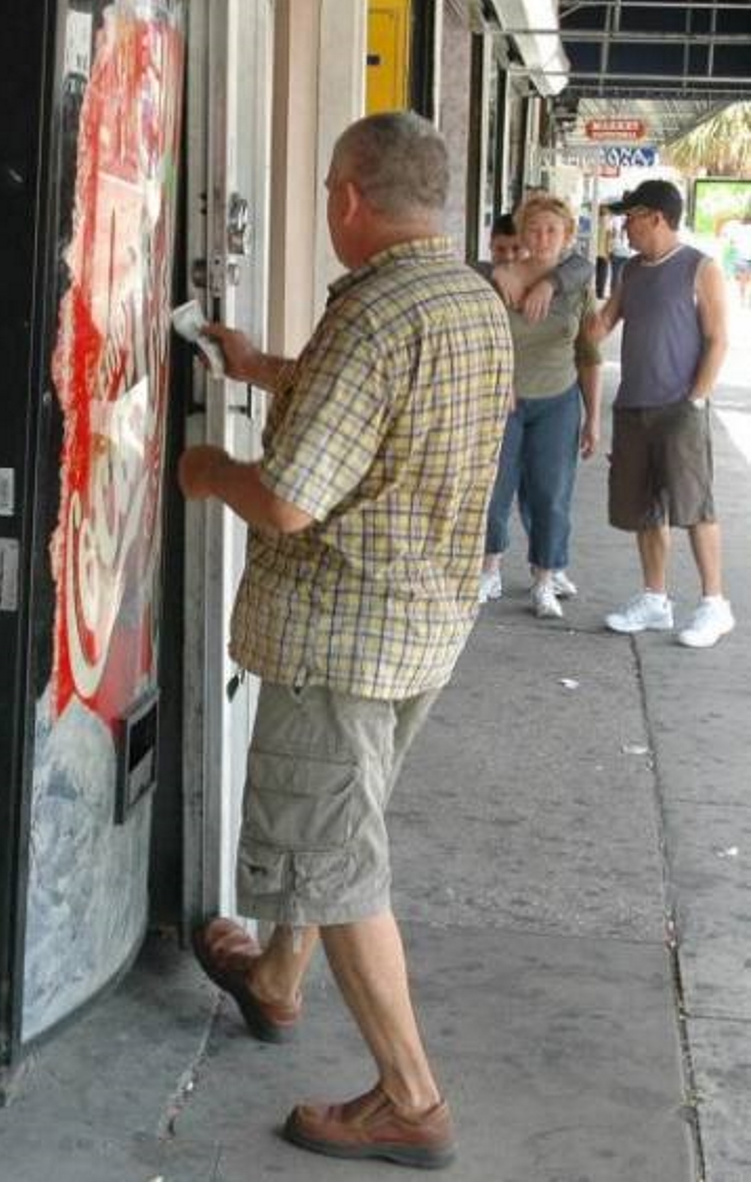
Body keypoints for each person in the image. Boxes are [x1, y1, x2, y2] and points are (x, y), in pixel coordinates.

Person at [179, 111, 512, 1170]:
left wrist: (202, 472)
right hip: (424, 621)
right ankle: (276, 982)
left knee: (336, 854)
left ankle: (410, 1098)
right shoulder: (467, 298)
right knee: (339, 823)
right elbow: (374, 410)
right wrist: (257, 366)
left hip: (343, 629)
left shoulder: (373, 315)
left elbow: (284, 502)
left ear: (348, 198)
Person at [587, 179, 735, 648]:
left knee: (695, 506)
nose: (623, 225)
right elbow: (601, 325)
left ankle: (714, 604)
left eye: (630, 216)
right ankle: (655, 600)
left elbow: (718, 340)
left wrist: (695, 398)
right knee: (644, 507)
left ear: (655, 217)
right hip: (633, 405)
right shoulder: (631, 271)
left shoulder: (700, 268)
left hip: (679, 407)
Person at [478, 194, 603, 619]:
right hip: (505, 401)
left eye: (552, 230)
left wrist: (593, 419)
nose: (543, 237)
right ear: (522, 232)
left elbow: (589, 353)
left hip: (559, 399)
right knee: (495, 490)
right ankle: (489, 570)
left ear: (567, 234)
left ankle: (544, 579)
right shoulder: (500, 279)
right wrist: (499, 378)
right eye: (534, 229)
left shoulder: (576, 281)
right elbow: (481, 341)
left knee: (552, 494)